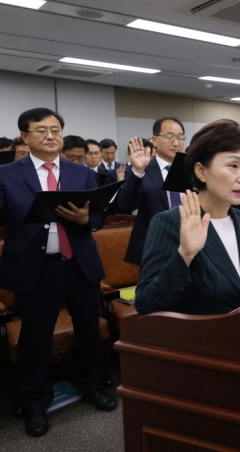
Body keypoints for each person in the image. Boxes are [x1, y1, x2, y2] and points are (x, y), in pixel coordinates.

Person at [0, 108, 117, 438]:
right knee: (35, 339)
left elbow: (97, 216)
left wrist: (86, 221)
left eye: (55, 129)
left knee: (90, 331)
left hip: (79, 263)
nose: (50, 135)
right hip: (37, 268)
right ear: (25, 136)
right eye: (41, 130)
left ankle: (94, 385)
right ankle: (34, 401)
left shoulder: (80, 173)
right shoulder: (7, 174)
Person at [135, 120, 240, 315]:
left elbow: (237, 280)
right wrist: (185, 255)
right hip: (199, 339)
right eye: (233, 165)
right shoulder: (170, 221)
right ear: (201, 171)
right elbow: (145, 304)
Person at [111, 117, 184, 265]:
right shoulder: (140, 169)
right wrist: (138, 171)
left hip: (189, 245)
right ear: (154, 140)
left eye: (181, 138)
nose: (176, 143)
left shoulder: (191, 170)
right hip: (154, 248)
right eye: (169, 137)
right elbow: (125, 206)